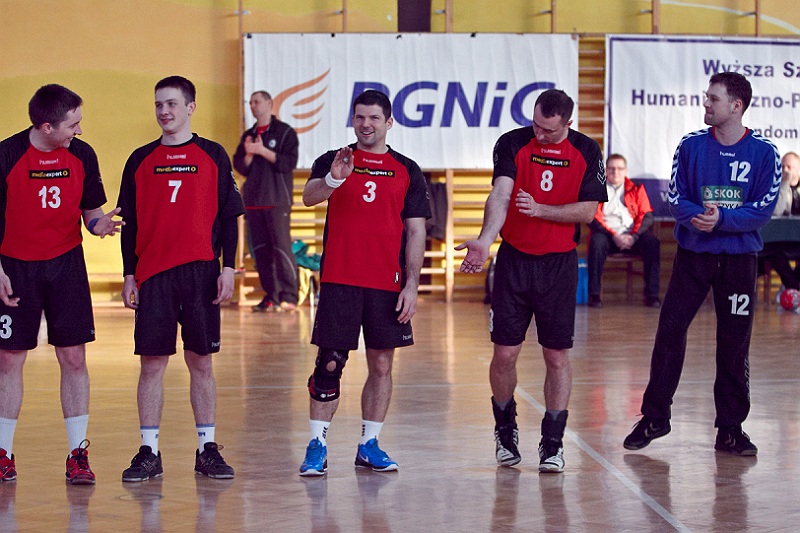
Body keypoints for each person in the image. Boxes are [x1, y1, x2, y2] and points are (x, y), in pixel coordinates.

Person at [623, 72, 781, 456]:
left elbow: (763, 210)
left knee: (733, 345)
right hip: (693, 257)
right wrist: (702, 218)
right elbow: (676, 198)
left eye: (713, 99)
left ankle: (730, 429)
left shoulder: (765, 153)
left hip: (739, 261)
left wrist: (722, 219)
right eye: (706, 97)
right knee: (669, 332)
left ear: (736, 106)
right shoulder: (691, 145)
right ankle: (655, 417)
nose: (706, 104)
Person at [457, 89, 607, 473]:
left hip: (558, 266)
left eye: (548, 130)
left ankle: (552, 442)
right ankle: (505, 429)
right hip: (514, 263)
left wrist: (541, 209)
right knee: (505, 354)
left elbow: (588, 211)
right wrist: (485, 240)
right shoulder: (513, 142)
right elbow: (501, 194)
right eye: (536, 125)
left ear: (568, 124)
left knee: (556, 356)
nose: (539, 134)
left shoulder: (587, 151)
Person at [117, 76, 244, 482]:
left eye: (171, 103)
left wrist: (228, 267)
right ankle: (148, 452)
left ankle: (207, 449)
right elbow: (129, 224)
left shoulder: (213, 154)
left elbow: (230, 216)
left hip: (201, 272)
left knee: (201, 361)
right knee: (152, 364)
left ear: (190, 107)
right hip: (153, 275)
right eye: (158, 104)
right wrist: (129, 274)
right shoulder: (140, 159)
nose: (164, 111)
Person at [298, 89, 430, 476]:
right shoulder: (335, 158)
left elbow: (416, 231)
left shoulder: (407, 169)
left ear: (389, 122)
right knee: (329, 363)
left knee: (382, 364)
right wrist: (334, 179)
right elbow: (308, 197)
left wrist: (411, 285)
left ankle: (369, 444)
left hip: (386, 284)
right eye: (359, 117)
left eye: (373, 118)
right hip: (340, 280)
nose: (365, 124)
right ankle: (317, 445)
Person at [0, 84, 123, 484]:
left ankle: (77, 455)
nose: (79, 130)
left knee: (74, 358)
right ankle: (3, 453)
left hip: (66, 266)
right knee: (9, 359)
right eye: (73, 124)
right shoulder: (7, 155)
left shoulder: (82, 154)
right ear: (47, 126)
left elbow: (91, 212)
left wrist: (99, 225)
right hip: (15, 267)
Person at [233, 91, 300, 313]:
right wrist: (250, 154)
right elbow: (240, 167)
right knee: (260, 252)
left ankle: (289, 296)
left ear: (269, 104)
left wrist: (262, 150)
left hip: (277, 200)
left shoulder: (284, 132)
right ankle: (271, 297)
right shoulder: (249, 135)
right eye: (251, 102)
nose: (253, 106)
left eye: (257, 102)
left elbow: (288, 163)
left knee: (282, 249)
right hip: (253, 201)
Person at [587, 153, 661, 308]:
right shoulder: (597, 188)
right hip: (607, 237)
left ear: (625, 171)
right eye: (611, 168)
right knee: (596, 241)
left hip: (633, 237)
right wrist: (613, 235)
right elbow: (593, 217)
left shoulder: (636, 188)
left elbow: (646, 215)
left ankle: (652, 296)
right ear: (605, 170)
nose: (615, 172)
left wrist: (633, 236)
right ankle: (594, 295)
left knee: (652, 242)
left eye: (619, 168)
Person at [759, 152, 800, 290]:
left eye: (789, 167)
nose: (785, 170)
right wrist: (785, 183)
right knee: (776, 254)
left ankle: (792, 287)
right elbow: (776, 211)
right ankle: (793, 288)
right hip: (775, 241)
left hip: (795, 241)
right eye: (782, 167)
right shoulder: (773, 189)